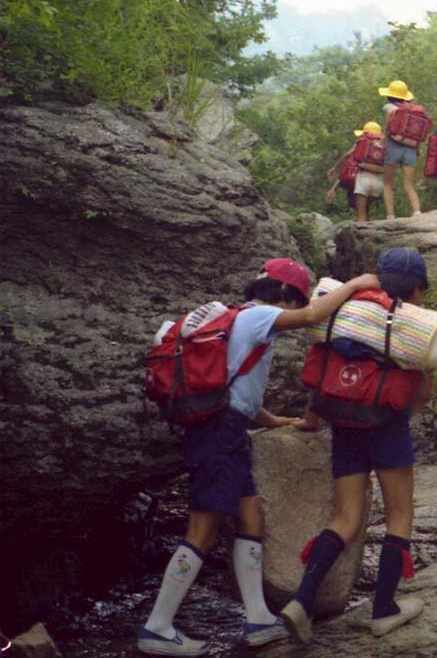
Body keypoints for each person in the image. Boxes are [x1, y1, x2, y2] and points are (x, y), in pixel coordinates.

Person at [136, 259, 381, 657]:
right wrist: (357, 283)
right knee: (203, 529)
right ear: (283, 295)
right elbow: (313, 315)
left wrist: (278, 420)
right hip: (218, 435)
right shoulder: (258, 316)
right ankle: (158, 626)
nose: (296, 306)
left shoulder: (238, 325)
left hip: (226, 431)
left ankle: (258, 620)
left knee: (252, 517)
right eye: (295, 298)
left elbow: (237, 392)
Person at [280, 248, 433, 643]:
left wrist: (311, 421)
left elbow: (318, 373)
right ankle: (384, 610)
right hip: (387, 427)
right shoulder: (412, 326)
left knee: (346, 518)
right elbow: (422, 394)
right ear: (417, 288)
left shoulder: (347, 314)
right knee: (399, 515)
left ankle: (301, 600)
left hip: (343, 422)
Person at [379, 80, 423, 219]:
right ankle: (416, 211)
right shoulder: (413, 111)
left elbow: (388, 119)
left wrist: (384, 136)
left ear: (389, 95)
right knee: (409, 184)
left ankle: (390, 215)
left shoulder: (389, 107)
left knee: (387, 183)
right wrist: (417, 148)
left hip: (393, 146)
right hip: (410, 148)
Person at [352, 121, 385, 223]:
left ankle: (361, 227)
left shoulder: (363, 142)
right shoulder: (385, 144)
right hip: (379, 182)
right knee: (369, 212)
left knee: (361, 216)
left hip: (363, 178)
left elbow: (351, 155)